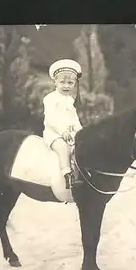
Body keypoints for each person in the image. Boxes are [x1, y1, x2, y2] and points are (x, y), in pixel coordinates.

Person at [43, 59, 84, 189]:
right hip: (54, 134)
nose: (66, 86)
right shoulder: (50, 99)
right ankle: (67, 175)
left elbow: (75, 119)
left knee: (81, 148)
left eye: (70, 83)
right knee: (63, 149)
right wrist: (63, 131)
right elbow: (51, 118)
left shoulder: (70, 101)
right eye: (62, 82)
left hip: (70, 134)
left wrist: (80, 132)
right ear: (55, 82)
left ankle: (82, 174)